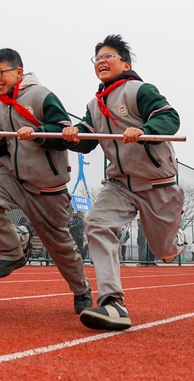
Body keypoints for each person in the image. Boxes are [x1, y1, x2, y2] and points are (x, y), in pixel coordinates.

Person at [62, 34, 183, 331]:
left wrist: (146, 130)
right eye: (97, 58)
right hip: (119, 184)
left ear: (125, 63)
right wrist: (74, 135)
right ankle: (112, 303)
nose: (102, 61)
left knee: (163, 249)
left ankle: (170, 248)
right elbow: (88, 138)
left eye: (108, 56)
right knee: (96, 225)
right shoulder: (95, 103)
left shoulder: (139, 90)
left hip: (157, 183)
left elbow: (169, 118)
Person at [0, 48, 92, 313]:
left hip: (47, 187)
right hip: (13, 178)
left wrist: (38, 133)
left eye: (0, 72)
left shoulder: (41, 95)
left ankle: (81, 289)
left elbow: (63, 131)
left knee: (59, 245)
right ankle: (13, 251)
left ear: (18, 71)